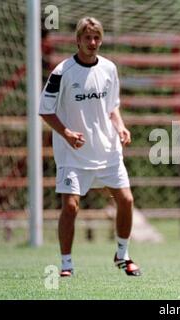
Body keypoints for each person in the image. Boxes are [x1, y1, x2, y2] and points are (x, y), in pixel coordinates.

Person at [39, 17, 141, 277]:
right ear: (78, 40)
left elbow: (112, 106)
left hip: (106, 149)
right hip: (72, 152)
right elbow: (45, 110)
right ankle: (66, 264)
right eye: (87, 38)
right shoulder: (62, 73)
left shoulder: (109, 69)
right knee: (71, 207)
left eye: (97, 38)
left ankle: (122, 253)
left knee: (126, 200)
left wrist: (120, 127)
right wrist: (67, 133)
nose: (93, 42)